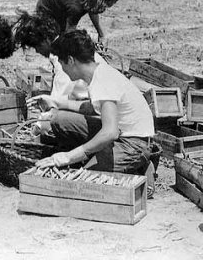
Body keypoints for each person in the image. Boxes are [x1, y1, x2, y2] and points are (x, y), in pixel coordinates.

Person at [31, 30, 155, 178]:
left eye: (62, 63)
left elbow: (110, 132)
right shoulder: (97, 73)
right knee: (60, 119)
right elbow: (92, 108)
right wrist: (56, 102)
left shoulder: (103, 80)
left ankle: (139, 166)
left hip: (133, 144)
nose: (62, 69)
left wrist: (67, 157)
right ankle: (100, 156)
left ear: (71, 60)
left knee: (86, 179)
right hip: (121, 135)